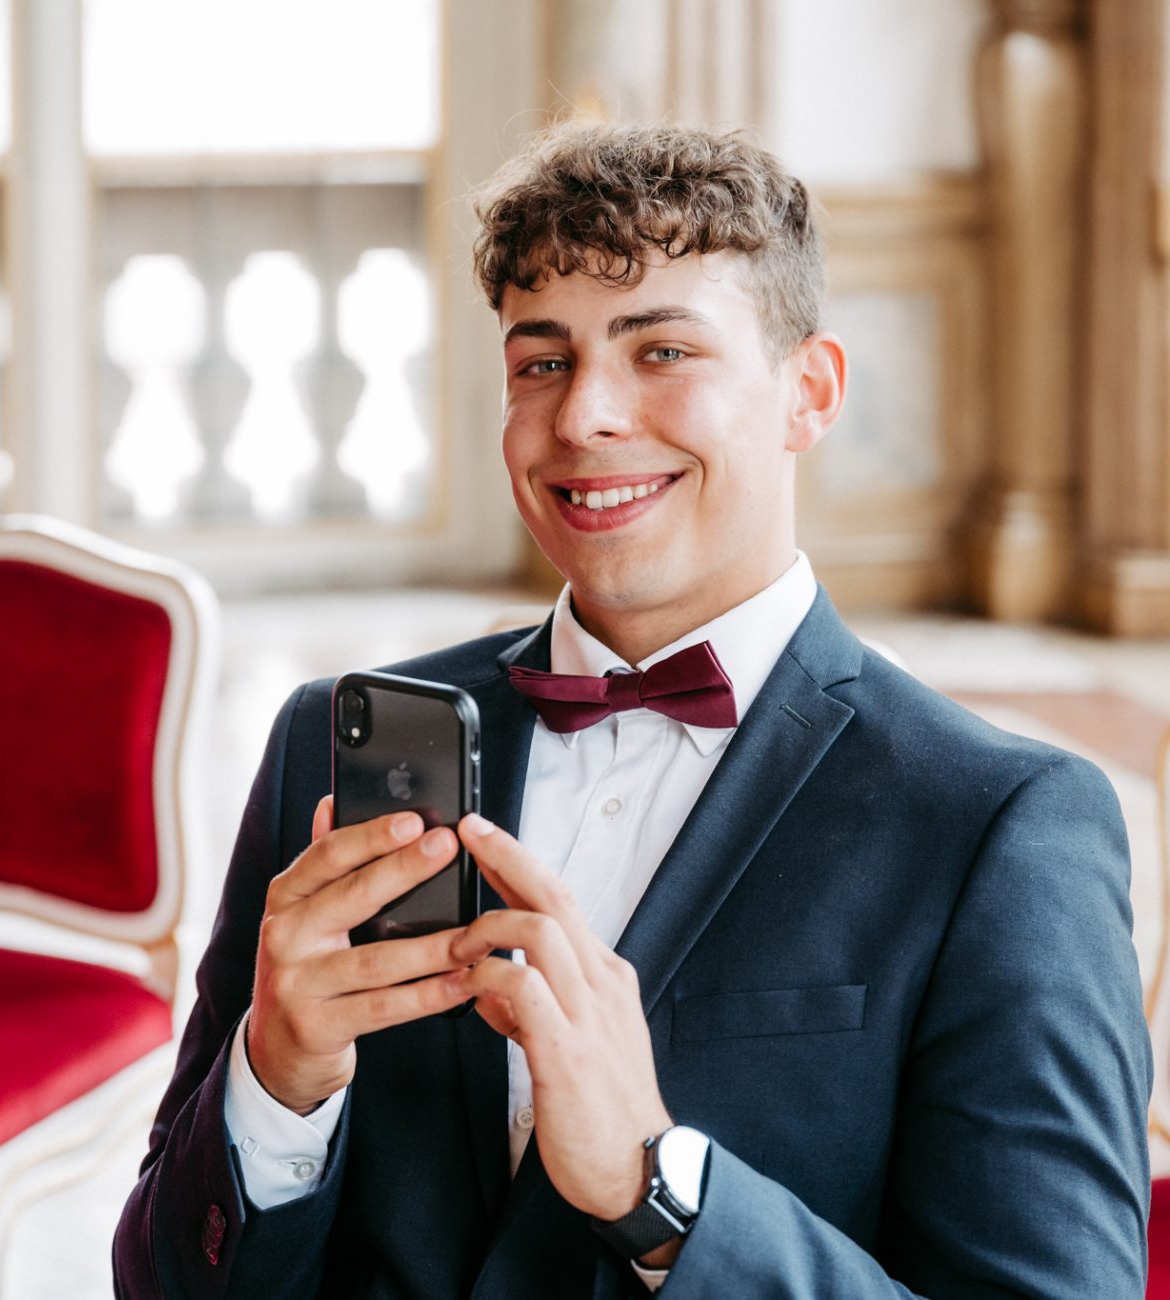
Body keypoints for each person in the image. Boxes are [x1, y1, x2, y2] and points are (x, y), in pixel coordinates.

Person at [113, 122, 1152, 1298]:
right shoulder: (327, 739)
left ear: (807, 393)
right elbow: (160, 1274)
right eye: (541, 361)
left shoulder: (999, 828)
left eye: (661, 351)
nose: (584, 418)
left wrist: (657, 1188)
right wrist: (274, 1086)